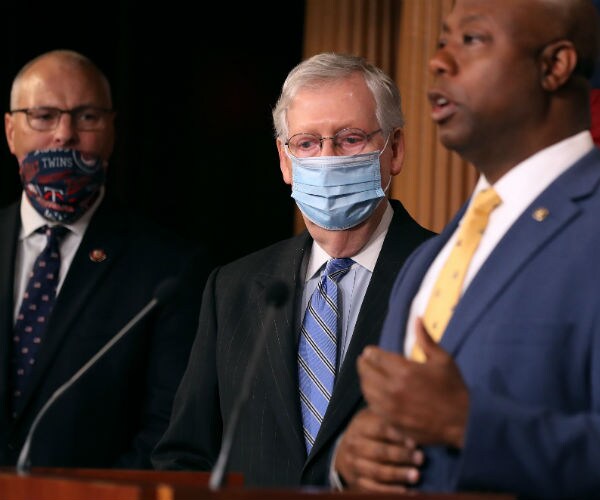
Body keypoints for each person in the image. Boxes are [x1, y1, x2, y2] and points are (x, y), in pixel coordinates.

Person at [333, 0, 600, 498]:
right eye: (441, 41)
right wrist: (357, 457)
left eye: (471, 40)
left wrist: (470, 425)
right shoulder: (430, 257)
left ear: (554, 66)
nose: (438, 61)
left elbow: (454, 416)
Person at [151, 52, 435, 486]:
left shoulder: (447, 272)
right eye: (307, 144)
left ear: (394, 149)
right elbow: (186, 458)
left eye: (350, 138)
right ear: (285, 161)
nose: (328, 159)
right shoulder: (233, 289)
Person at [0, 49, 206, 468]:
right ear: (10, 131)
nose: (64, 134)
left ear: (112, 131)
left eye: (87, 117)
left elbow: (167, 432)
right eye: (43, 116)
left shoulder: (170, 269)